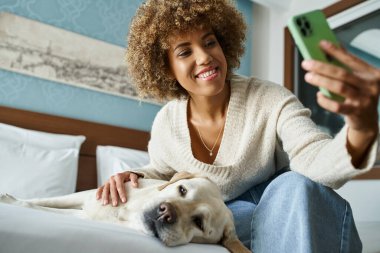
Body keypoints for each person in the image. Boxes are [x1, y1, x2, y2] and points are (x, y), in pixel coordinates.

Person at [96, 0, 380, 252]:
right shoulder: (166, 123)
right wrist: (132, 174)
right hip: (232, 217)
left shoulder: (270, 98)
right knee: (223, 217)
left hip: (289, 206)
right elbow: (161, 171)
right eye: (185, 52)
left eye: (209, 43)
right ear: (166, 68)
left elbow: (313, 159)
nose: (205, 56)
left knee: (293, 184)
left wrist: (361, 130)